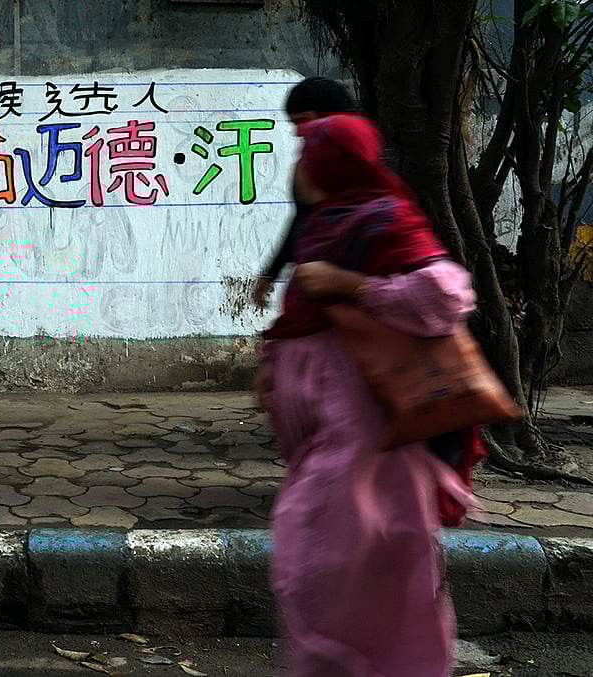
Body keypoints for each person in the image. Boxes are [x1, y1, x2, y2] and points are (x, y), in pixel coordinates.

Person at [256, 113, 483, 677]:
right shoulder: (327, 223)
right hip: (332, 444)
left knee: (351, 571)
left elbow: (445, 296)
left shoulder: (385, 220)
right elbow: (302, 322)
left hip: (369, 444)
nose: (298, 166)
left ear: (332, 164)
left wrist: (350, 285)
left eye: (308, 153)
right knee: (330, 568)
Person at [253, 77, 359, 309]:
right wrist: (271, 274)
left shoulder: (363, 160)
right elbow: (303, 217)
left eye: (303, 122)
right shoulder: (308, 163)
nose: (298, 133)